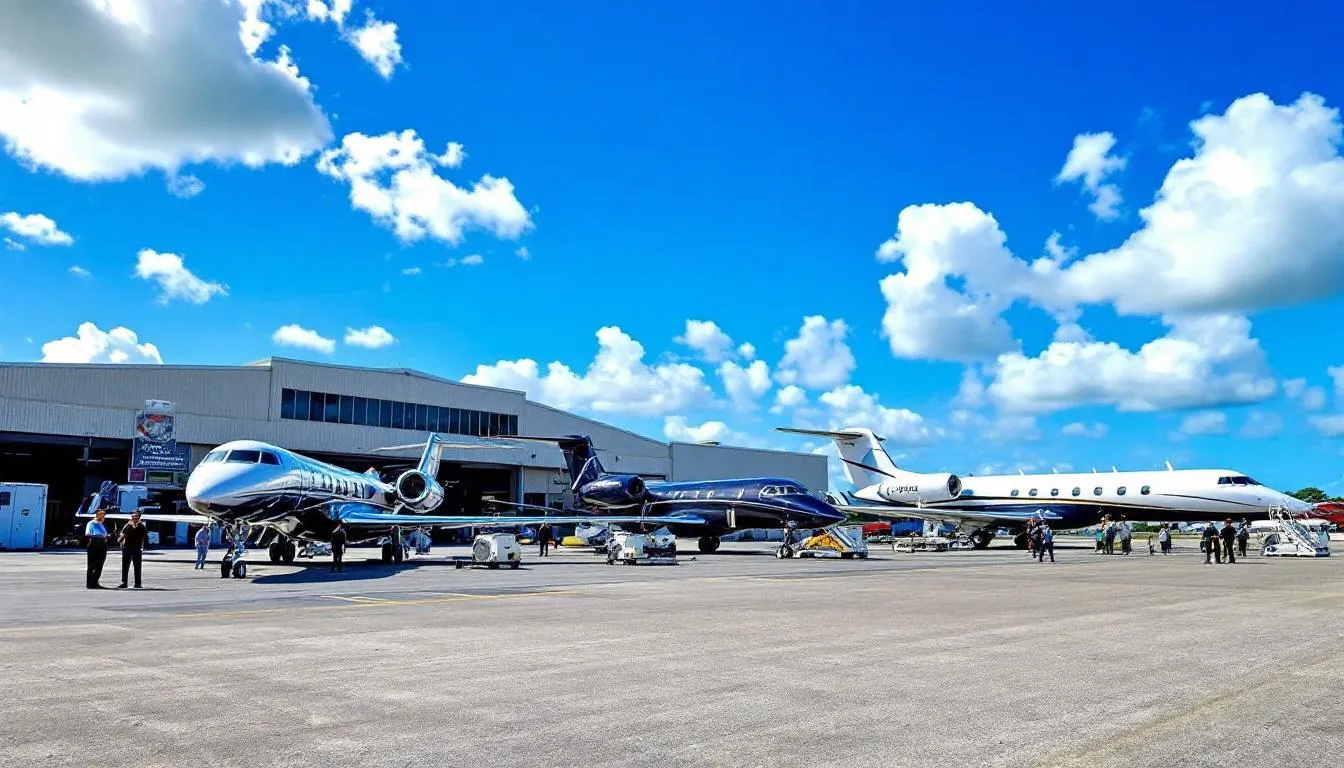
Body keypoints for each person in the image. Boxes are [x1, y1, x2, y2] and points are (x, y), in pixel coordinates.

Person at [117, 510, 148, 589]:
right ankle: (124, 582)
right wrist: (121, 542)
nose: (134, 518)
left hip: (137, 547)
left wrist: (144, 547)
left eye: (136, 517)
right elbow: (123, 533)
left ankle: (138, 583)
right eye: (133, 517)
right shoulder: (127, 525)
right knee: (125, 565)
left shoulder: (141, 526)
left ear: (139, 518)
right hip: (127, 547)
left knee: (137, 565)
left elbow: (145, 536)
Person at [85, 508, 110, 589]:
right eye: (100, 514)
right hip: (94, 543)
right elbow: (88, 533)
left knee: (100, 564)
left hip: (102, 544)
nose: (102, 516)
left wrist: (105, 537)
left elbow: (105, 534)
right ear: (96, 515)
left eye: (103, 514)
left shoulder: (102, 524)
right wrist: (100, 536)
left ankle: (95, 582)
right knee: (91, 565)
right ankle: (90, 583)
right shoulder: (92, 523)